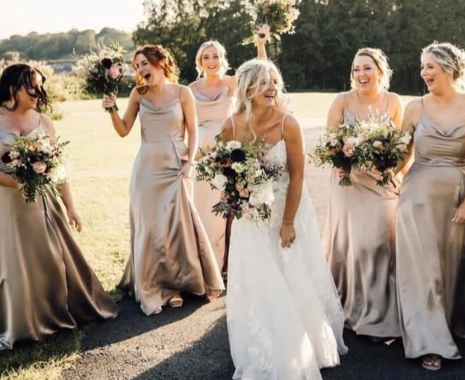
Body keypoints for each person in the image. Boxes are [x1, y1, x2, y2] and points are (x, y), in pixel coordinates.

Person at [219, 58, 347, 379]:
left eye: (275, 81)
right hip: (251, 216)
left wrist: (288, 221)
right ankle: (267, 345)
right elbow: (220, 170)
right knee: (258, 278)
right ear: (247, 88)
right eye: (264, 82)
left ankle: (304, 344)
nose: (272, 88)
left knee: (292, 274)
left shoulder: (289, 122)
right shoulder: (231, 125)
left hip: (287, 208)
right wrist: (234, 193)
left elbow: (298, 176)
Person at [0, 63, 118, 350]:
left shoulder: (44, 122)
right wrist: (15, 183)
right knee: (10, 264)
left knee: (46, 260)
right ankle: (15, 323)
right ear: (14, 88)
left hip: (41, 203)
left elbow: (58, 170)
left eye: (40, 86)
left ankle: (50, 315)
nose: (38, 92)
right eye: (32, 86)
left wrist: (71, 207)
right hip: (2, 205)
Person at [102, 45, 224, 316]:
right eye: (137, 65)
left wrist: (190, 162)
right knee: (151, 227)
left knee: (176, 227)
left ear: (160, 63)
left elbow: (193, 132)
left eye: (145, 63)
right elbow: (123, 130)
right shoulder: (137, 94)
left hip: (176, 164)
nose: (142, 69)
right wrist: (112, 110)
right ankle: (156, 286)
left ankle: (178, 285)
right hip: (146, 167)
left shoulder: (183, 92)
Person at [394, 42, 465, 371]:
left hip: (458, 196)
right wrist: (377, 163)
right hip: (417, 198)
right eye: (422, 67)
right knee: (422, 272)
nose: (424, 73)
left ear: (449, 68)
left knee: (451, 269)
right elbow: (401, 154)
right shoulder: (415, 107)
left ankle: (453, 324)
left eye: (429, 66)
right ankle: (428, 342)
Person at [323, 47, 403, 340]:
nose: (361, 74)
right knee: (351, 241)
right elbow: (329, 141)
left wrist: (393, 171)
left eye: (367, 68)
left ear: (381, 72)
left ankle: (378, 309)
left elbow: (400, 145)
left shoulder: (393, 102)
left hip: (380, 181)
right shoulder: (342, 101)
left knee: (378, 240)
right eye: (356, 69)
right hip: (349, 181)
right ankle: (347, 303)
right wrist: (340, 164)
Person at [189, 26, 270, 274]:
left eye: (215, 56)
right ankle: (207, 265)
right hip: (201, 155)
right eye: (206, 57)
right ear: (199, 62)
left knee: (230, 207)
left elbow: (261, 74)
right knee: (206, 209)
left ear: (222, 59)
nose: (211, 61)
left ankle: (228, 264)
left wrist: (260, 45)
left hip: (228, 151)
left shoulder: (233, 83)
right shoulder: (190, 89)